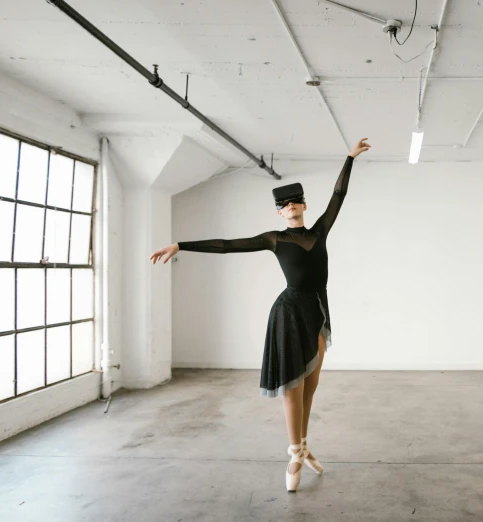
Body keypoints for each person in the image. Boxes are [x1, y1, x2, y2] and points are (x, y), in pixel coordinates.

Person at [150, 138, 371, 492]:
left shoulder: (319, 231)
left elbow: (339, 196)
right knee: (292, 387)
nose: (291, 206)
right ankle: (295, 452)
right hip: (289, 312)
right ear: (279, 213)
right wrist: (180, 245)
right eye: (284, 205)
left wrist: (349, 158)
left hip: (317, 309)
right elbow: (227, 245)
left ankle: (302, 443)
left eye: (295, 201)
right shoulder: (274, 239)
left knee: (310, 385)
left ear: (303, 205)